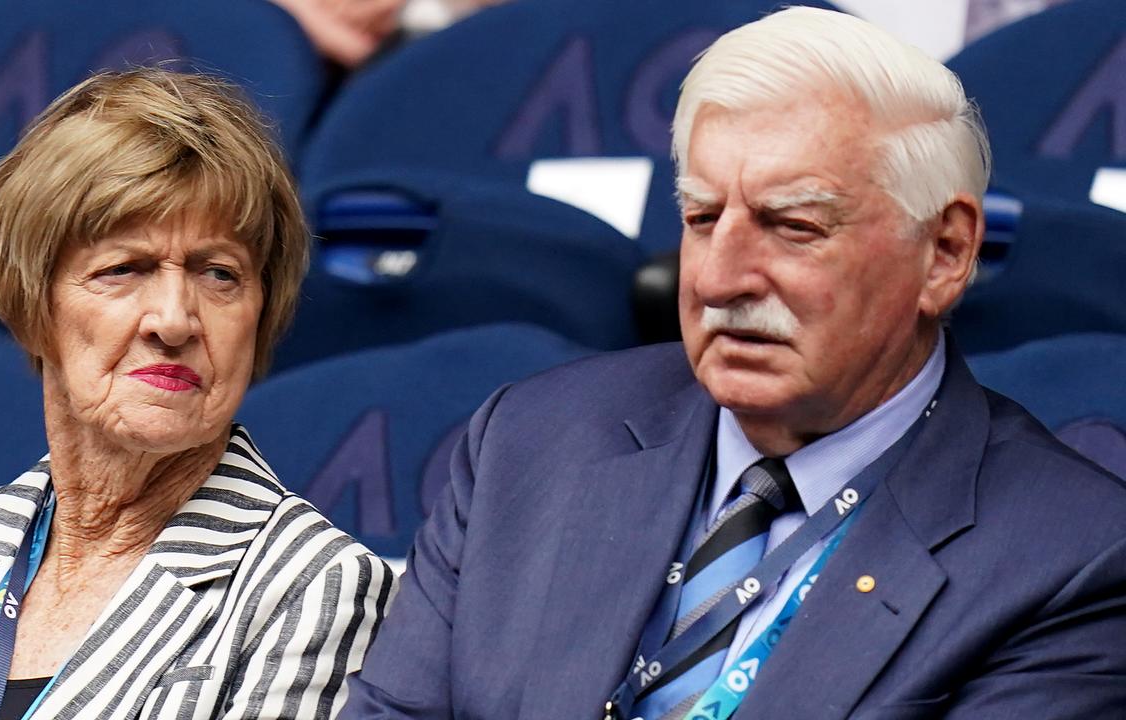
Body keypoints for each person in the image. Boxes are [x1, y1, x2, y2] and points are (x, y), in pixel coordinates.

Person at [339, 7, 1126, 719]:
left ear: (946, 252)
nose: (718, 279)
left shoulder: (1072, 558)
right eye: (702, 217)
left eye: (792, 225)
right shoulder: (527, 443)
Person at [0, 68, 394, 720]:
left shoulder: (313, 590)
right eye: (123, 269)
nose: (174, 319)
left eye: (219, 274)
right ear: (35, 304)